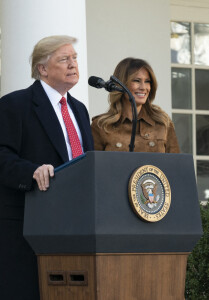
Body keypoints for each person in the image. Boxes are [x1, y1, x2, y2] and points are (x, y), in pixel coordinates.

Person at [0, 35, 94, 300]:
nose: (73, 64)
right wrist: (31, 171)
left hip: (75, 224)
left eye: (74, 58)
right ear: (42, 69)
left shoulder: (79, 109)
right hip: (28, 226)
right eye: (64, 59)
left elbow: (85, 161)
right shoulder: (15, 104)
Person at [91, 57, 180, 153]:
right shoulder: (101, 126)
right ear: (121, 84)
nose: (143, 87)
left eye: (147, 81)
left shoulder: (163, 123)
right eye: (137, 81)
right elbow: (93, 166)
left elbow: (176, 166)